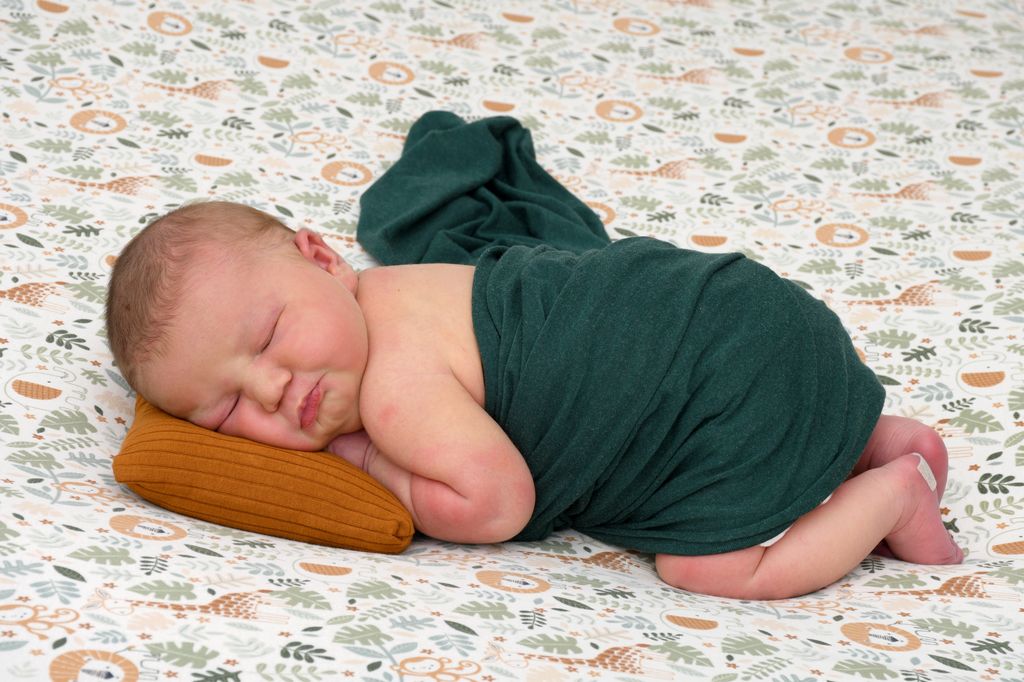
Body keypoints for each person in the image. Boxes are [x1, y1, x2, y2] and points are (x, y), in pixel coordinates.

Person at [105, 200, 962, 600]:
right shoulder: (408, 282)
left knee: (707, 567)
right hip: (744, 309)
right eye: (227, 412)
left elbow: (496, 502)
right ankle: (869, 439)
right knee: (730, 416)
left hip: (718, 371)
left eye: (267, 337)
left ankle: (889, 496)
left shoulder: (397, 389)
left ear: (323, 257)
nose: (272, 389)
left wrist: (371, 466)